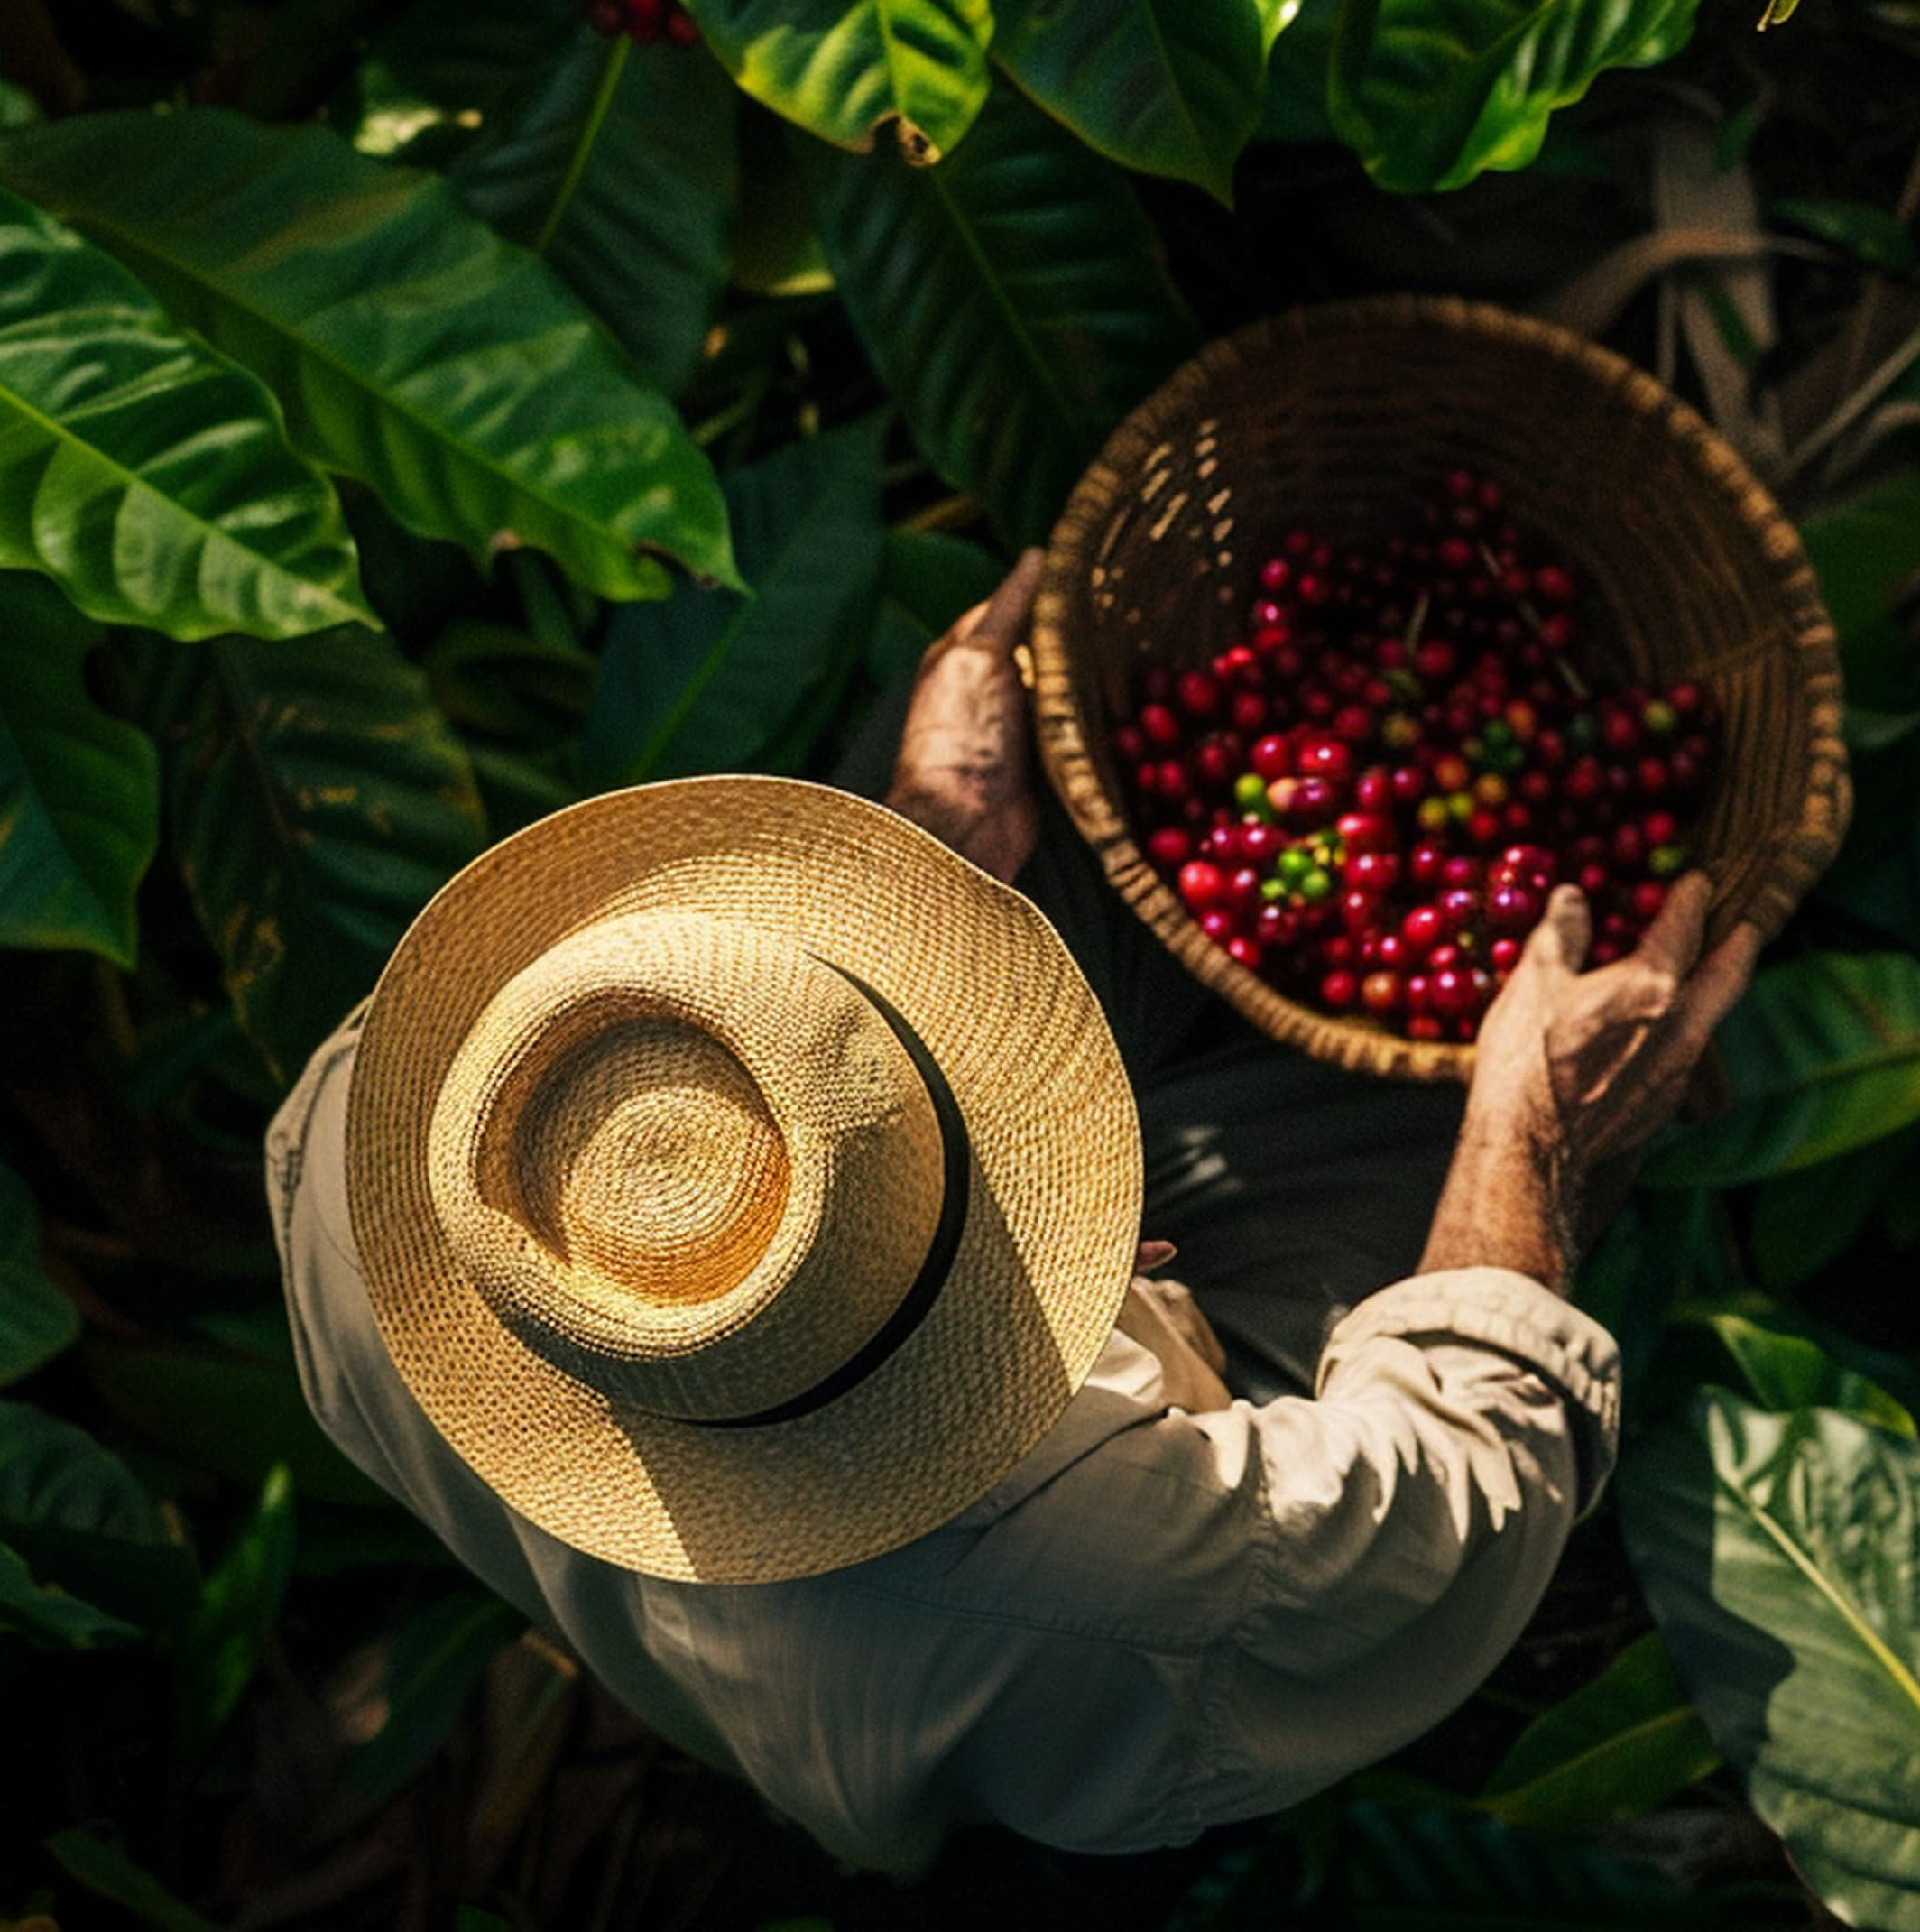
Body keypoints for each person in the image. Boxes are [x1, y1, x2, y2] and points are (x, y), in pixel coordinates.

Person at [268, 550, 1760, 1872]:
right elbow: (1444, 1483)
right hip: (983, 1667)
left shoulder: (390, 1127)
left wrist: (925, 828)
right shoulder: (1094, 1570)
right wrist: (1522, 1137)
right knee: (1442, 1113)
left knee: (1050, 829)